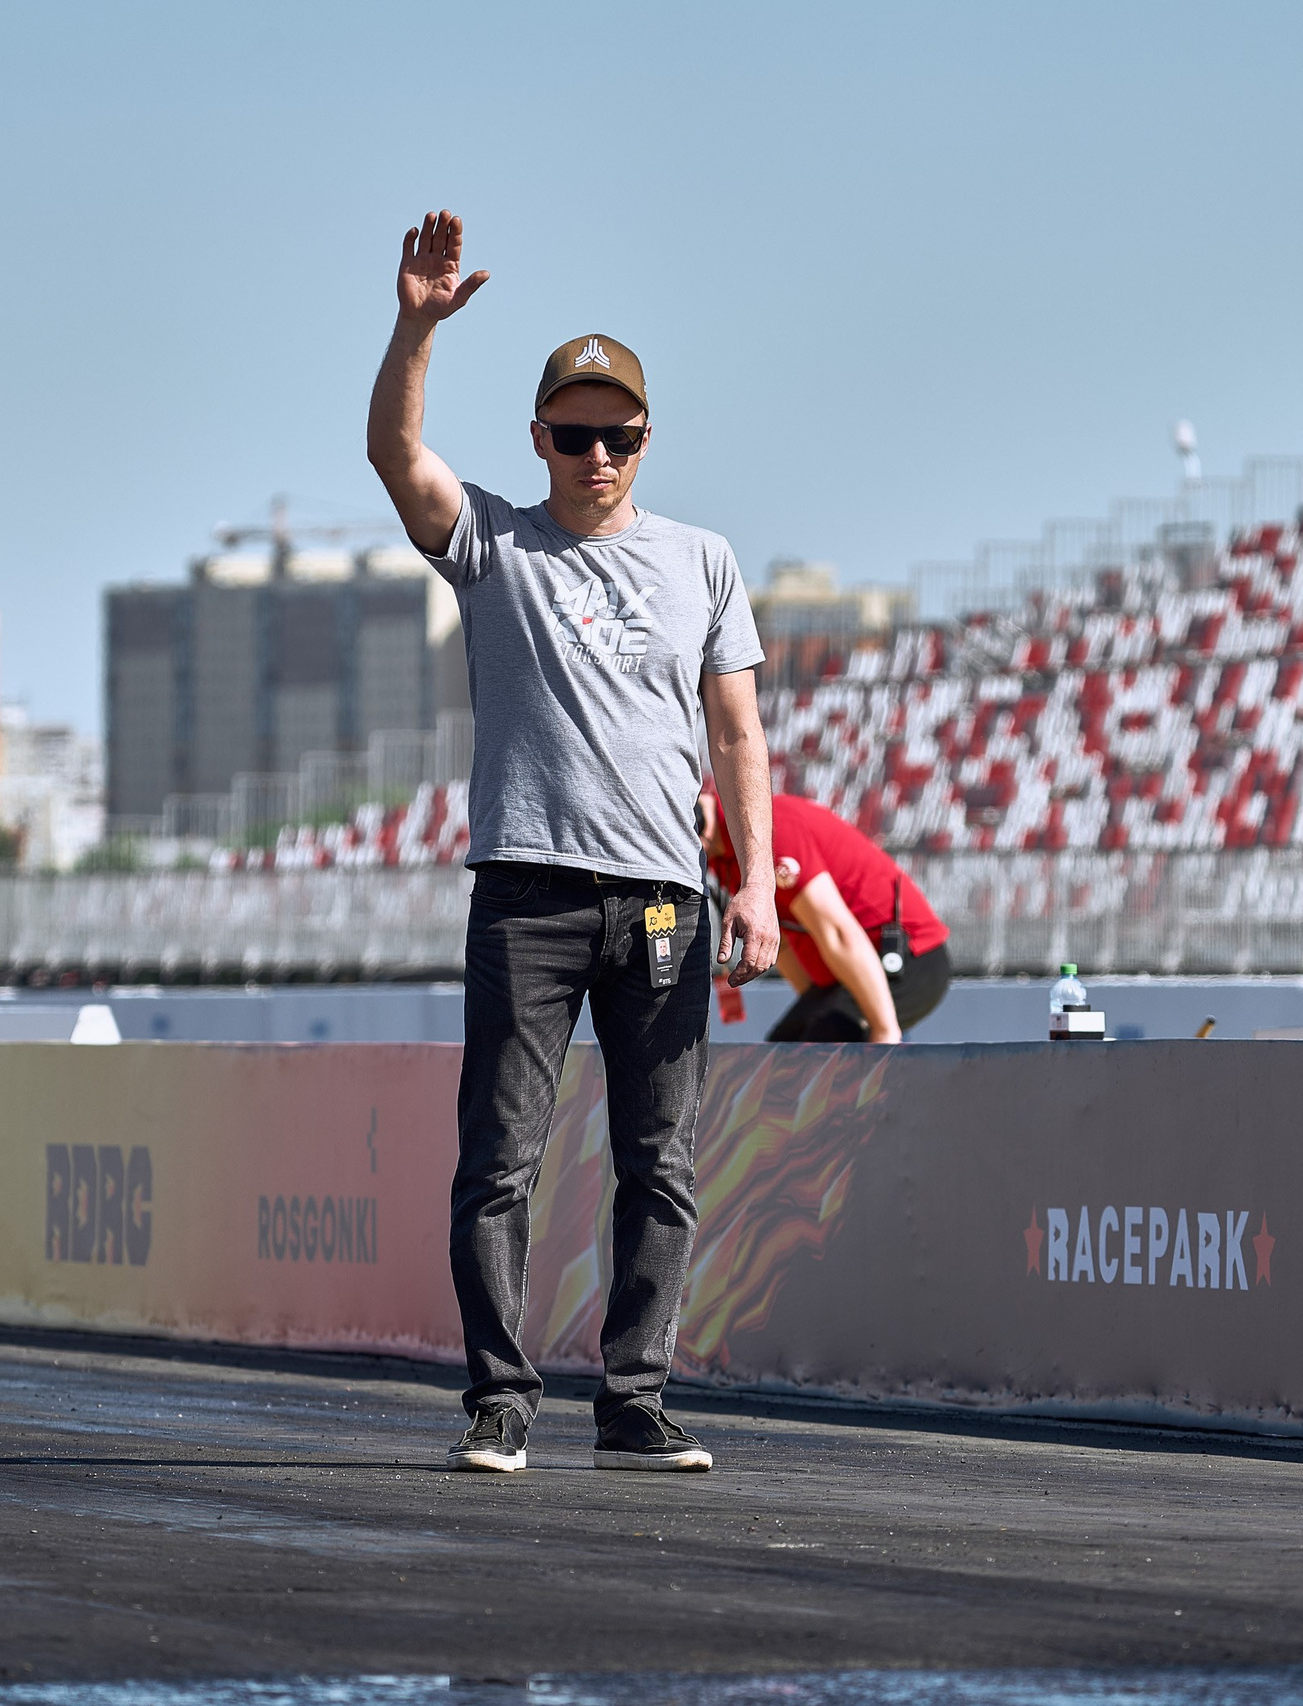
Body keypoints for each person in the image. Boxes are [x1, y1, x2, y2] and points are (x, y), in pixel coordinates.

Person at [366, 210, 779, 1475]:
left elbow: (739, 734)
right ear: (539, 438)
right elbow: (394, 453)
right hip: (529, 890)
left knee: (661, 1165)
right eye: (572, 433)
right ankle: (499, 1398)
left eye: (618, 434)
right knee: (501, 1159)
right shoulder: (495, 540)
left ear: (646, 441)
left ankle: (635, 1399)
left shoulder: (702, 559)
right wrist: (415, 327)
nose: (596, 454)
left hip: (662, 896)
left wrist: (754, 883)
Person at [700, 790, 952, 1043]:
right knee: (784, 1054)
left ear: (701, 834)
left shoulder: (771, 831)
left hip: (907, 958)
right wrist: (813, 1003)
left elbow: (837, 932)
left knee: (821, 1048)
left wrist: (884, 1031)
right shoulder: (724, 852)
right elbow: (782, 937)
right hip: (847, 976)